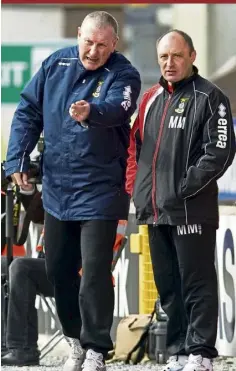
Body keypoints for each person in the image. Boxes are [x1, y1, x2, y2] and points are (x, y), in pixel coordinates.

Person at [5, 10, 141, 371]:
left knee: (95, 271)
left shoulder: (124, 73)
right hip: (57, 189)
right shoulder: (54, 64)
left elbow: (118, 108)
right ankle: (75, 339)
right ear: (79, 34)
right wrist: (16, 159)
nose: (93, 51)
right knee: (58, 271)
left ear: (114, 44)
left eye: (102, 45)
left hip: (101, 190)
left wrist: (90, 111)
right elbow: (28, 111)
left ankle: (97, 347)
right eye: (88, 41)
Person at [125, 29, 236, 371]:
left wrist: (183, 188)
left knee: (196, 281)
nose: (169, 63)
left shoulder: (211, 96)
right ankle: (178, 350)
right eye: (163, 57)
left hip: (191, 209)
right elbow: (135, 151)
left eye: (176, 56)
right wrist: (137, 190)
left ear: (192, 56)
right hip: (154, 211)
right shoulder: (149, 99)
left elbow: (219, 151)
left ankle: (201, 353)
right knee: (168, 285)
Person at [1, 256, 54, 366]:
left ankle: (24, 349)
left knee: (21, 266)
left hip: (77, 270)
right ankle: (4, 345)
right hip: (51, 263)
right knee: (2, 264)